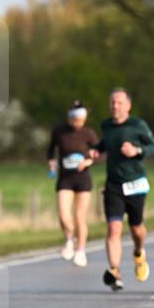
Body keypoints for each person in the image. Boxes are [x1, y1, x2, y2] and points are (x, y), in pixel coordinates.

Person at [88, 88, 154, 291]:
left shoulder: (138, 125)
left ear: (128, 106)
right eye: (112, 103)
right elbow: (105, 143)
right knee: (113, 228)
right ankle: (115, 271)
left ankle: (139, 252)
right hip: (114, 185)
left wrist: (136, 150)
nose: (115, 106)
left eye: (119, 103)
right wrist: (96, 150)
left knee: (136, 229)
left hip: (135, 182)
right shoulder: (106, 125)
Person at [47, 101, 99, 266]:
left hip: (82, 178)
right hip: (65, 178)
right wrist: (51, 161)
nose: (79, 123)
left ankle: (81, 250)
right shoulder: (59, 132)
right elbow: (50, 150)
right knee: (63, 214)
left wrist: (89, 162)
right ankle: (70, 239)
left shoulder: (88, 133)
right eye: (76, 120)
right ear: (70, 119)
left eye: (82, 120)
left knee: (79, 216)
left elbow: (100, 153)